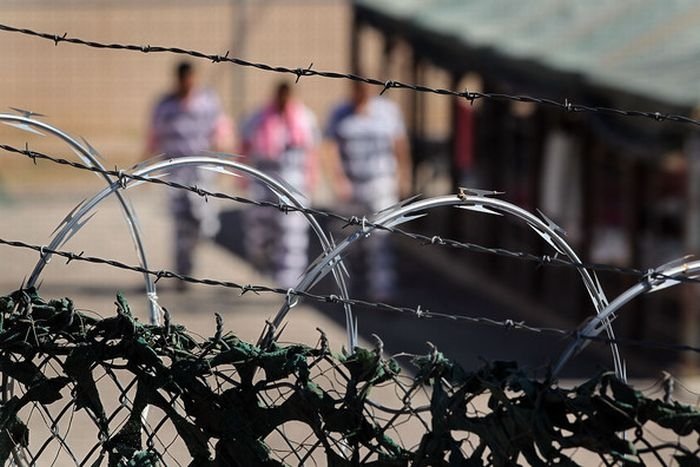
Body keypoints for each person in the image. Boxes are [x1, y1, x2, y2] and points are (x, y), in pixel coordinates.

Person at [146, 61, 232, 288]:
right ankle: (183, 273)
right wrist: (144, 168)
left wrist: (224, 159)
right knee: (180, 224)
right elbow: (154, 136)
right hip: (175, 170)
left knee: (204, 221)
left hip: (201, 169)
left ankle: (195, 250)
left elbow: (221, 130)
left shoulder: (207, 102)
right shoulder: (165, 105)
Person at [325, 81, 411, 301]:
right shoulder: (340, 113)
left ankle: (382, 290)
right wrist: (338, 179)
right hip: (352, 184)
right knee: (346, 238)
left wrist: (404, 175)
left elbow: (399, 144)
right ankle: (343, 289)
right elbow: (330, 147)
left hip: (380, 182)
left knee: (380, 238)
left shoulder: (387, 112)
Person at [241, 81, 319, 288]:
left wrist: (311, 178)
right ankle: (262, 261)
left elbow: (311, 152)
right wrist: (240, 176)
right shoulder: (259, 117)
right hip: (264, 180)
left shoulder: (304, 118)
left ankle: (290, 284)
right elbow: (245, 144)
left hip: (294, 182)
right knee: (260, 233)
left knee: (292, 235)